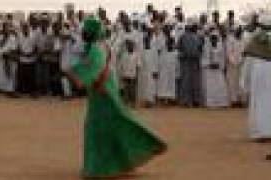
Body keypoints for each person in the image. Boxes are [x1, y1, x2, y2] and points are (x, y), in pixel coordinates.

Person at [66, 16, 166, 178]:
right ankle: (120, 164)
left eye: (85, 31)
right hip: (105, 90)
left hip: (102, 92)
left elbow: (98, 70)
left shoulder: (95, 49)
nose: (82, 33)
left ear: (91, 33)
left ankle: (99, 168)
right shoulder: (100, 45)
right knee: (113, 125)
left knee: (97, 129)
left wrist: (75, 74)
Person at [177, 23, 203, 107]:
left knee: (194, 82)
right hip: (186, 61)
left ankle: (195, 100)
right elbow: (179, 48)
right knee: (187, 81)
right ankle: (186, 101)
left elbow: (200, 48)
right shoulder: (183, 37)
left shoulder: (198, 37)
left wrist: (197, 55)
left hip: (194, 61)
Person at [202, 32, 229, 108]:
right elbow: (203, 58)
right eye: (212, 37)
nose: (214, 39)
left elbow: (223, 57)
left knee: (220, 85)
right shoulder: (206, 46)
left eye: (215, 37)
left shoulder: (221, 46)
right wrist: (209, 64)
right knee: (211, 87)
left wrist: (220, 65)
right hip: (209, 70)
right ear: (210, 38)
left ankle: (221, 103)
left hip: (218, 69)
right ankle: (211, 103)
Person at [16, 23, 38, 96]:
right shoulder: (19, 36)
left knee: (32, 77)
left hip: (31, 59)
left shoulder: (33, 36)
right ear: (22, 28)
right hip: (22, 59)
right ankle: (21, 91)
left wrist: (31, 54)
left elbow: (36, 47)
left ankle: (33, 91)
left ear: (29, 28)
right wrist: (23, 53)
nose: (25, 28)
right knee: (21, 76)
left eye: (26, 27)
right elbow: (18, 47)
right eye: (24, 27)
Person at [226, 27, 245, 107]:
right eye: (238, 30)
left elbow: (244, 52)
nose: (239, 32)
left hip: (241, 64)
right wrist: (234, 62)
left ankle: (240, 100)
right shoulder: (230, 40)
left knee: (240, 83)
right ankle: (233, 101)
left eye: (241, 30)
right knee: (232, 82)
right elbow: (229, 52)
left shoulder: (243, 40)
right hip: (232, 65)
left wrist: (241, 60)